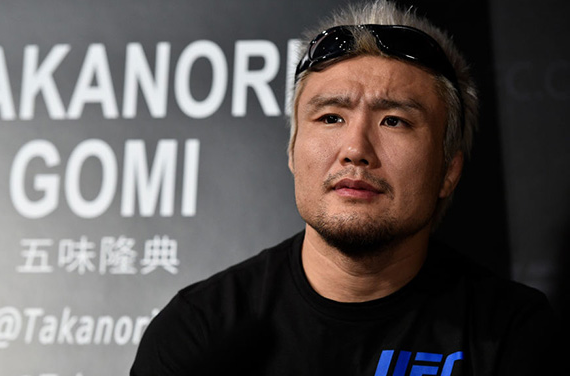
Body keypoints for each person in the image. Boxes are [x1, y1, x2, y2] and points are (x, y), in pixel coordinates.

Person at [131, 1, 559, 375]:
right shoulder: (198, 332)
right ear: (292, 150)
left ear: (449, 170)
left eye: (394, 121)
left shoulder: (512, 334)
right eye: (331, 117)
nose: (356, 149)